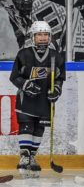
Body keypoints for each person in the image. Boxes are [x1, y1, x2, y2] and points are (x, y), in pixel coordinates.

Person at [9, 21, 65, 178]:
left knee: (39, 129)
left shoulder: (56, 56)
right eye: (39, 34)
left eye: (45, 34)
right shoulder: (23, 54)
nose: (42, 38)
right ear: (33, 37)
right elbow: (14, 77)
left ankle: (32, 156)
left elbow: (60, 78)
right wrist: (26, 85)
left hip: (44, 101)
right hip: (26, 100)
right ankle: (24, 156)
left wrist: (57, 90)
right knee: (26, 126)